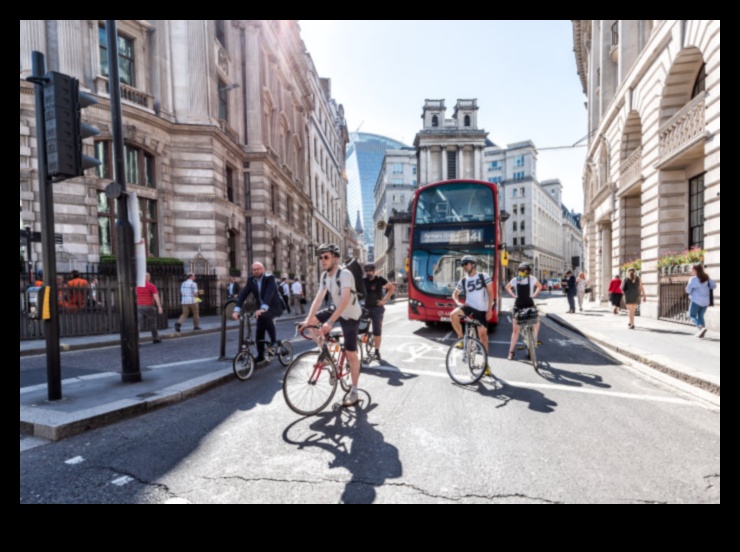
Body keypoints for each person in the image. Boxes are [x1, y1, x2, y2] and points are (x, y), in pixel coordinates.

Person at [299, 244, 363, 407]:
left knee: (351, 354)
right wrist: (308, 319)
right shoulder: (324, 276)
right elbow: (318, 299)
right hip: (338, 309)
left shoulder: (345, 274)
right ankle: (327, 355)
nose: (322, 260)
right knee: (312, 323)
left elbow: (345, 301)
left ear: (335, 258)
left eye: (326, 257)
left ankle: (354, 391)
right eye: (320, 258)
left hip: (350, 315)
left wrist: (330, 322)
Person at [232, 262, 285, 363]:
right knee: (259, 331)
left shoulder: (270, 278)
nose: (256, 271)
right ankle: (260, 355)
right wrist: (236, 309)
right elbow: (243, 294)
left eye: (258, 269)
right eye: (254, 269)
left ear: (263, 269)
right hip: (260, 308)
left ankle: (273, 341)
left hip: (274, 306)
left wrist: (264, 308)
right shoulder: (251, 280)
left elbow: (269, 293)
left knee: (266, 316)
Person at [450, 255, 493, 374]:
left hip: (482, 310)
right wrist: (458, 302)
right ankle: (460, 338)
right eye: (462, 264)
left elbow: (490, 292)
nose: (464, 266)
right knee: (453, 315)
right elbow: (455, 294)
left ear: (473, 264)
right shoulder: (463, 280)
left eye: (466, 264)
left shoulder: (483, 276)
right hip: (469, 307)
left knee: (483, 336)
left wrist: (490, 309)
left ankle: (486, 364)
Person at [505, 262, 543, 360]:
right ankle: (511, 352)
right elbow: (507, 287)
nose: (522, 272)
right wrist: (514, 296)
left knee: (537, 321)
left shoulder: (532, 279)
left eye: (524, 270)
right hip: (519, 305)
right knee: (515, 330)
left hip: (529, 304)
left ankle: (533, 341)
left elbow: (540, 286)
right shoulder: (515, 280)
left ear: (528, 272)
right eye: (521, 270)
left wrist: (534, 295)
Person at [362, 262, 396, 362]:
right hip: (366, 308)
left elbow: (392, 288)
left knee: (377, 331)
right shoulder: (363, 280)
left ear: (373, 271)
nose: (368, 273)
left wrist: (385, 300)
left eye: (370, 271)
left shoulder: (380, 279)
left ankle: (377, 351)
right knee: (359, 327)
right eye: (366, 271)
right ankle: (363, 341)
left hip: (377, 309)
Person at [685, 263, 716, 338]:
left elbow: (687, 290)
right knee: (700, 315)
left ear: (695, 270)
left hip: (696, 300)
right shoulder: (707, 278)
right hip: (705, 301)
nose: (691, 270)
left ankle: (701, 328)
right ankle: (701, 332)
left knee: (691, 315)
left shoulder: (693, 279)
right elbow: (714, 286)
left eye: (692, 269)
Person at [136, 272, 163, 343]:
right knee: (153, 323)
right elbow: (156, 296)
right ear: (148, 277)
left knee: (138, 324)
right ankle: (155, 338)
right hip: (149, 306)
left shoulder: (137, 286)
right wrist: (159, 306)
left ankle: (136, 340)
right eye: (149, 277)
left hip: (139, 306)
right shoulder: (151, 286)